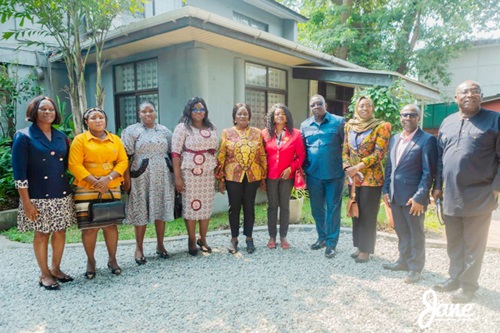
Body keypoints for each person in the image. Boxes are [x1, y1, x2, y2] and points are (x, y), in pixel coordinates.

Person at [432, 80, 500, 303]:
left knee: (473, 244)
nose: (469, 94)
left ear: (481, 96)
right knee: (454, 242)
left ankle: (468, 286)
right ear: (455, 98)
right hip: (451, 194)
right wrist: (437, 187)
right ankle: (454, 277)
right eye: (464, 92)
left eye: (474, 91)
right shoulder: (447, 122)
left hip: (480, 194)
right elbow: (441, 159)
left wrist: (496, 187)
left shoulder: (494, 120)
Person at [12, 96, 76, 290]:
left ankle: (56, 269)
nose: (48, 112)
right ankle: (44, 273)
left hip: (60, 192)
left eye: (51, 110)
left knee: (60, 231)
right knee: (42, 234)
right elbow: (19, 173)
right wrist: (27, 203)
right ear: (34, 112)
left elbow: (65, 166)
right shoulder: (24, 136)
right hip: (37, 195)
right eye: (43, 109)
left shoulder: (61, 136)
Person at [69, 107, 128, 279]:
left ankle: (112, 259)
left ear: (105, 120)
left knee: (110, 225)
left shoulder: (115, 140)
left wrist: (108, 179)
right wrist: (95, 182)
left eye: (101, 117)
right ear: (86, 122)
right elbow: (74, 165)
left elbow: (123, 161)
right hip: (86, 187)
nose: (97, 120)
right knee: (89, 229)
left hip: (111, 185)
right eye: (93, 118)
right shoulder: (80, 140)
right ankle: (91, 261)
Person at [382, 104, 437, 283]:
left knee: (416, 233)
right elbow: (390, 167)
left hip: (414, 198)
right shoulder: (395, 138)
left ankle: (415, 268)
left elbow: (428, 172)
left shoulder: (427, 140)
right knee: (402, 231)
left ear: (418, 118)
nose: (407, 118)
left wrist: (420, 197)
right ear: (400, 117)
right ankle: (403, 260)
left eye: (412, 115)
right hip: (395, 195)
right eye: (404, 115)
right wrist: (385, 190)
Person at [121, 101, 175, 265]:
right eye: (144, 111)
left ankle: (160, 244)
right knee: (140, 210)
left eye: (150, 111)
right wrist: (126, 179)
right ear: (139, 113)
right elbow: (124, 155)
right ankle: (139, 248)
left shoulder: (164, 131)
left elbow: (173, 152)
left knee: (160, 208)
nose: (148, 114)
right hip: (140, 175)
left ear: (155, 112)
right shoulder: (132, 131)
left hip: (163, 175)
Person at [343, 96, 391, 263]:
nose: (365, 109)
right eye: (362, 106)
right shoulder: (349, 125)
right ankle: (358, 246)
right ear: (357, 108)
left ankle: (366, 250)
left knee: (368, 215)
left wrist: (358, 167)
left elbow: (379, 154)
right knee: (356, 212)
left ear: (373, 108)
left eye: (368, 106)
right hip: (353, 179)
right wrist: (348, 168)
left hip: (372, 178)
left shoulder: (381, 126)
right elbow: (345, 150)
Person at [216, 103, 267, 254]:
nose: (242, 116)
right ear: (234, 117)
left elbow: (262, 155)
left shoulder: (257, 133)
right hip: (233, 176)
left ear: (249, 116)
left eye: (245, 114)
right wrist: (220, 178)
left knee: (249, 207)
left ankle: (249, 238)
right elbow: (221, 156)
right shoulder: (227, 133)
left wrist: (263, 177)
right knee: (234, 207)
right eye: (239, 114)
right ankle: (234, 239)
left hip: (253, 176)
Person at [172, 97, 218, 256]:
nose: (199, 112)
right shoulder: (182, 128)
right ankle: (191, 239)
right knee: (191, 207)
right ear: (189, 111)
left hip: (207, 173)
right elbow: (176, 154)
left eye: (202, 109)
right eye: (195, 109)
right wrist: (177, 178)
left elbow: (214, 149)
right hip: (189, 173)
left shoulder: (211, 128)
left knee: (205, 207)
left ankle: (203, 238)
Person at [300, 94, 345, 258]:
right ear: (310, 107)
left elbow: (346, 147)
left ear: (325, 105)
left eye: (319, 103)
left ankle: (332, 244)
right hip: (313, 174)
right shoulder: (305, 125)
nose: (316, 107)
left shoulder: (339, 122)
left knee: (333, 209)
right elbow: (303, 150)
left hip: (334, 174)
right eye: (313, 105)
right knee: (317, 209)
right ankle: (322, 237)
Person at [262, 103, 305, 249]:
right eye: (277, 114)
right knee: (272, 206)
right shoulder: (265, 134)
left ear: (287, 117)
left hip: (287, 177)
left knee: (285, 206)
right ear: (272, 118)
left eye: (283, 113)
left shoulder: (296, 134)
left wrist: (291, 168)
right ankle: (272, 237)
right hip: (271, 176)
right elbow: (261, 155)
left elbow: (301, 156)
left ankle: (283, 236)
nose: (280, 116)